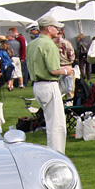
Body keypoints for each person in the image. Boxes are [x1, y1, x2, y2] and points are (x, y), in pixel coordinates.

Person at [28, 14, 74, 154]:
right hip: (48, 84)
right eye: (55, 27)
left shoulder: (31, 44)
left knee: (50, 122)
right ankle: (57, 154)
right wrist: (67, 70)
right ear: (49, 28)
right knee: (57, 124)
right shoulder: (49, 45)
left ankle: (54, 153)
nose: (58, 30)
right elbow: (54, 70)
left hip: (37, 85)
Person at [53, 29, 76, 99]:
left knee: (58, 88)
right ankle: (70, 103)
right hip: (67, 66)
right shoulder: (67, 42)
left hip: (55, 67)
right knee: (70, 88)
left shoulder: (51, 43)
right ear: (63, 32)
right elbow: (72, 56)